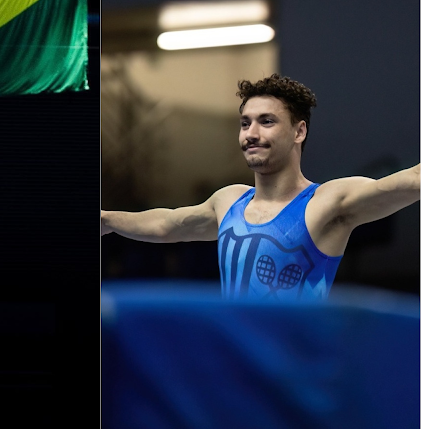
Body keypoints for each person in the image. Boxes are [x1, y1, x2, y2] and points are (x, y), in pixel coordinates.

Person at [101, 74, 420, 301]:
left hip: (294, 376)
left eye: (266, 121)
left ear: (299, 132)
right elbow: (165, 224)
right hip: (235, 370)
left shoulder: (326, 202)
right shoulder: (228, 201)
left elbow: (406, 182)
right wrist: (104, 219)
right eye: (244, 123)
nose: (250, 133)